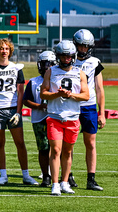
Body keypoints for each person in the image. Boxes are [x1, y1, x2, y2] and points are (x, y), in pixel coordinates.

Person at [0, 38, 38, 186]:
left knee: (20, 142)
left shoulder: (16, 69)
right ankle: (3, 175)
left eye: (6, 48)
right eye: (1, 48)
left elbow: (21, 93)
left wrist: (19, 112)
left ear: (10, 51)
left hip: (13, 109)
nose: (4, 51)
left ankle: (26, 175)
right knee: (0, 142)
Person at [40, 40, 89, 196]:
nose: (66, 58)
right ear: (58, 56)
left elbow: (86, 95)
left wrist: (70, 94)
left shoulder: (79, 73)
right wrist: (57, 94)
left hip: (72, 117)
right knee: (55, 150)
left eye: (68, 56)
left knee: (67, 152)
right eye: (63, 56)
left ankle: (65, 182)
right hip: (55, 116)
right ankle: (55, 183)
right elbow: (43, 93)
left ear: (73, 56)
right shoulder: (50, 71)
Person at [71, 29, 105, 191]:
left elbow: (100, 89)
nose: (83, 49)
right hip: (71, 106)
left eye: (86, 46)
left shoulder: (95, 62)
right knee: (68, 143)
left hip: (89, 107)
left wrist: (102, 112)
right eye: (81, 46)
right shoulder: (67, 60)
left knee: (90, 143)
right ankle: (68, 175)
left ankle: (91, 178)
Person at [23, 51, 56, 187]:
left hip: (56, 118)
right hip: (39, 119)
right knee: (43, 149)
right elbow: (26, 100)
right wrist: (39, 106)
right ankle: (46, 176)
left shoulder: (58, 80)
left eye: (49, 64)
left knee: (57, 149)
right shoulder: (33, 82)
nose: (46, 67)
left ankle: (61, 176)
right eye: (44, 64)